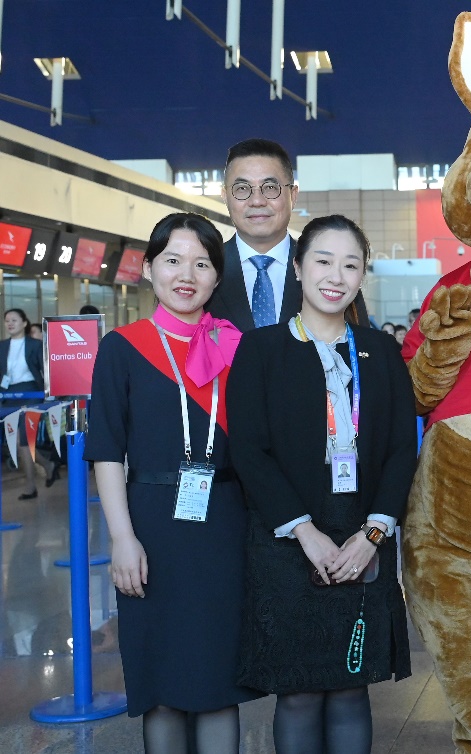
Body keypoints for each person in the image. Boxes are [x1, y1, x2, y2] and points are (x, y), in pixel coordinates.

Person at [227, 214, 416, 754]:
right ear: (297, 267)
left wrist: (373, 534)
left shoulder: (380, 352)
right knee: (300, 693)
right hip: (287, 540)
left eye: (350, 265)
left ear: (362, 276)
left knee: (353, 690)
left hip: (363, 539)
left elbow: (401, 448)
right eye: (323, 261)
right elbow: (250, 451)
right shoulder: (261, 350)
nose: (336, 276)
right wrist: (305, 533)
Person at [85, 212, 258, 752]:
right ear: (149, 268)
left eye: (202, 264)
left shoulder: (238, 347)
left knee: (218, 684)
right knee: (160, 686)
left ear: (217, 276)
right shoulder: (123, 346)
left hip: (225, 528)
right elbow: (106, 450)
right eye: (173, 260)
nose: (187, 275)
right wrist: (121, 538)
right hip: (150, 528)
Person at [206, 138, 369, 332]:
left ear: (293, 195)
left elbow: (360, 343)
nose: (257, 201)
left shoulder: (329, 271)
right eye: (242, 189)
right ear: (225, 196)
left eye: (270, 188)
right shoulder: (205, 269)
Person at [0, 307, 58, 499]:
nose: (10, 323)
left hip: (31, 392)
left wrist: (49, 394)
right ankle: (48, 465)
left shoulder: (35, 344)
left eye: (14, 320)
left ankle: (31, 486)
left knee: (23, 440)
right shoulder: (2, 346)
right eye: (7, 320)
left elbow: (46, 370)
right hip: (9, 394)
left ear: (24, 323)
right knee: (17, 443)